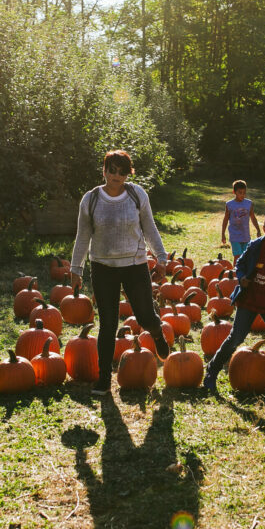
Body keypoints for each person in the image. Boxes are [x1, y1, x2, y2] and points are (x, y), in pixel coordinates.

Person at [70, 150, 170, 396]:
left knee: (145, 317)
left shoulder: (137, 195)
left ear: (128, 174)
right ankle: (104, 378)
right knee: (107, 323)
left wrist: (161, 257)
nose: (116, 175)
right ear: (104, 170)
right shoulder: (91, 199)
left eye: (122, 171)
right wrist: (76, 269)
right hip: (103, 267)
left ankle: (157, 333)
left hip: (135, 265)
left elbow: (149, 228)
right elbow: (83, 236)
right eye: (112, 170)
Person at [203, 208, 265, 398]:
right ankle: (212, 370)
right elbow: (240, 264)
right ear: (264, 229)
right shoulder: (256, 246)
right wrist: (242, 278)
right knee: (236, 338)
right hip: (250, 300)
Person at [221, 179, 261, 263]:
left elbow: (253, 217)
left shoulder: (249, 203)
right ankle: (235, 271)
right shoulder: (229, 204)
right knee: (237, 256)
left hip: (245, 235)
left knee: (245, 256)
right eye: (240, 192)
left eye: (244, 192)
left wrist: (258, 229)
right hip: (234, 235)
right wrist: (223, 234)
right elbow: (225, 220)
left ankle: (243, 271)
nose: (242, 195)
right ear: (234, 192)